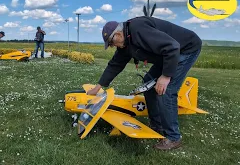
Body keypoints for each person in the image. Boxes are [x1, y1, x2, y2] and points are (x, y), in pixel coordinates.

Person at [87, 16, 202, 150]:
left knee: (166, 91)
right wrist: (98, 87)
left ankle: (173, 138)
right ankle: (157, 125)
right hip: (168, 54)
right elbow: (115, 65)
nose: (113, 46)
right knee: (148, 82)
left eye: (112, 43)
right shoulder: (126, 42)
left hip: (185, 49)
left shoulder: (139, 30)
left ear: (118, 34)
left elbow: (172, 47)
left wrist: (165, 76)